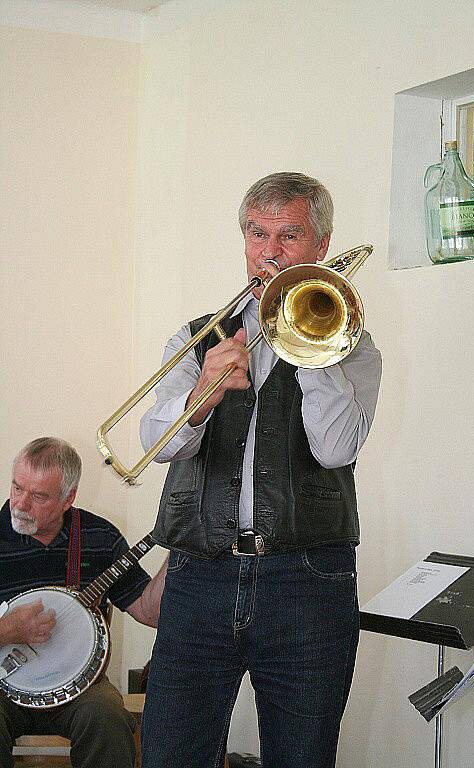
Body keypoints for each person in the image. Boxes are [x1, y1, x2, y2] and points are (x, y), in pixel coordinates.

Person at [140, 172, 383, 768]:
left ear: (321, 246)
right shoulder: (197, 337)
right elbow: (155, 443)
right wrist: (202, 390)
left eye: (289, 235)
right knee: (172, 753)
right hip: (200, 577)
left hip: (308, 580)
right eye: (257, 233)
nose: (269, 251)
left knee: (302, 756)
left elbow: (335, 450)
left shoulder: (356, 347)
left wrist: (312, 346)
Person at [0, 437, 167, 768]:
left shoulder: (99, 537)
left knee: (109, 718)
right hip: (4, 686)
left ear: (68, 499)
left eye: (38, 496)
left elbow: (152, 613)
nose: (20, 503)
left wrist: (179, 551)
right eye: (17, 487)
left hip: (81, 689)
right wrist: (8, 629)